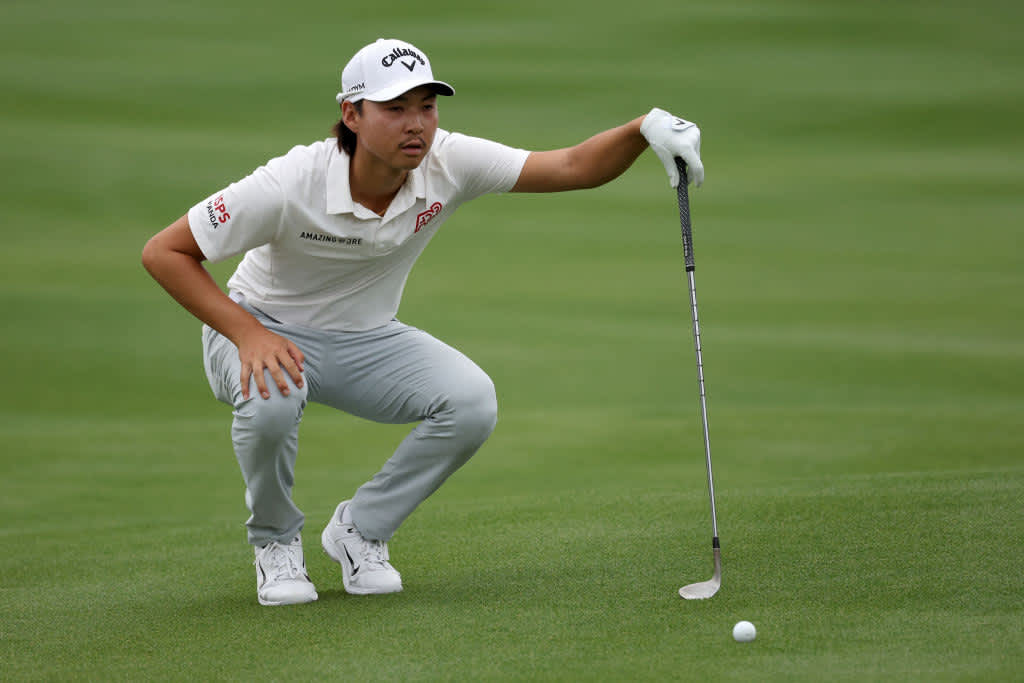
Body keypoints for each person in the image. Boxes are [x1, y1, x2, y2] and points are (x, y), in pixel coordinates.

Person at [142, 38, 704, 606]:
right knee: (273, 397)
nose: (416, 125)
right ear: (352, 115)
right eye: (395, 109)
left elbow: (572, 165)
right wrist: (248, 333)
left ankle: (360, 530)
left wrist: (641, 128)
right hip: (257, 327)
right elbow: (164, 252)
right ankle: (276, 542)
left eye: (427, 106)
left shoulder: (449, 163)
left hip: (363, 339)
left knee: (470, 402)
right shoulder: (289, 183)